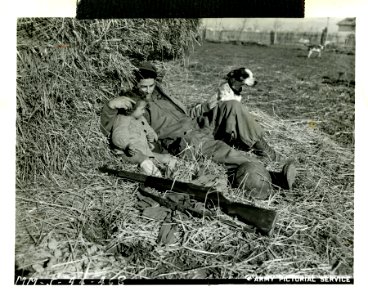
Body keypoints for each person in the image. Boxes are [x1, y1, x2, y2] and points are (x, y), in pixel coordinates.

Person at [100, 61, 296, 199]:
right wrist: (110, 106)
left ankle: (263, 149)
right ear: (135, 85)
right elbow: (115, 129)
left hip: (196, 122)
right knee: (222, 151)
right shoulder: (135, 105)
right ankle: (266, 178)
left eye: (151, 85)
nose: (148, 90)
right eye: (144, 87)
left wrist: (209, 106)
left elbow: (185, 111)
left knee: (231, 106)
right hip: (184, 139)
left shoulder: (161, 93)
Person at [110, 98, 177, 177]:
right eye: (142, 109)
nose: (144, 111)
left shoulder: (141, 118)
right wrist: (127, 145)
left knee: (167, 158)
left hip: (146, 151)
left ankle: (171, 177)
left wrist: (152, 136)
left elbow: (149, 129)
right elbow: (118, 135)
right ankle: (156, 176)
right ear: (131, 109)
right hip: (128, 153)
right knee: (142, 158)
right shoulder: (122, 119)